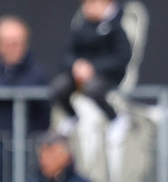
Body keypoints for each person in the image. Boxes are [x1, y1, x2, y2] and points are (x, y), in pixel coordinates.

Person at [50, 0, 132, 130]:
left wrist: (93, 68)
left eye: (92, 2)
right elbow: (67, 53)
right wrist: (76, 65)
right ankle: (72, 116)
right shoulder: (82, 27)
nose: (87, 7)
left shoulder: (118, 26)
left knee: (92, 87)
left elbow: (121, 58)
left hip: (107, 76)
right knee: (59, 86)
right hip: (79, 75)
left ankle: (114, 118)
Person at [0, 16, 50, 134]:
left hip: (29, 146)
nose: (11, 48)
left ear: (25, 44)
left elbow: (45, 114)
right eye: (6, 43)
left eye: (16, 43)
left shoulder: (38, 75)